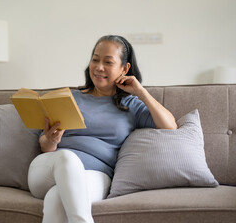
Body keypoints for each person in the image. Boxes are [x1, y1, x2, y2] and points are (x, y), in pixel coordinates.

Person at [28, 35, 177, 223]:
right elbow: (45, 146)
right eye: (95, 59)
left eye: (108, 62)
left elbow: (170, 126)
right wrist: (50, 140)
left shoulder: (130, 105)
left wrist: (141, 92)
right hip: (47, 169)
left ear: (125, 68)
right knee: (67, 157)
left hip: (97, 176)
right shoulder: (69, 98)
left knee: (56, 198)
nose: (99, 67)